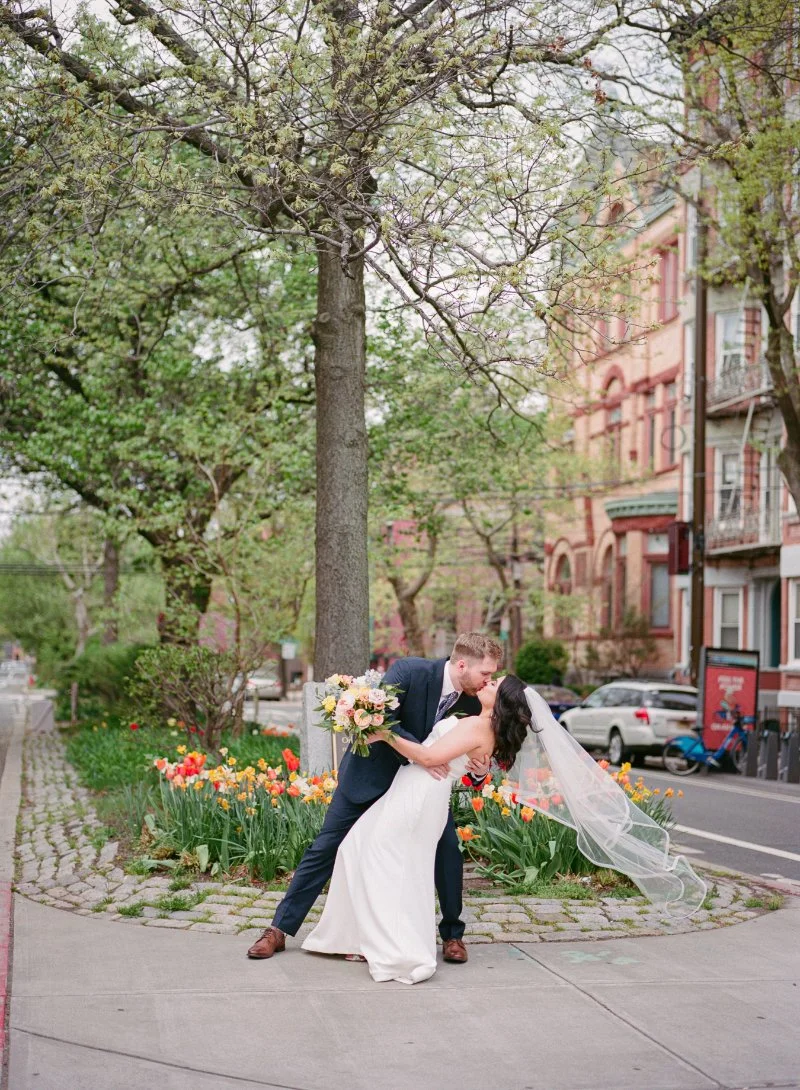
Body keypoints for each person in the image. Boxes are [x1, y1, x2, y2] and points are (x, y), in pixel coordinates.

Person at [246, 632, 503, 963]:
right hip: (370, 776)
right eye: (485, 673)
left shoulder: (474, 702)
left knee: (448, 851)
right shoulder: (409, 671)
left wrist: (479, 772)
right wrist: (424, 755)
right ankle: (278, 930)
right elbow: (380, 718)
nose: (488, 681)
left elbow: (467, 763)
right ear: (463, 664)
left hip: (421, 793)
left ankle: (453, 935)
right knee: (326, 845)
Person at [301, 673, 532, 983]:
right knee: (357, 848)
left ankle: (395, 948)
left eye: (495, 684)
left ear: (503, 698)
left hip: (420, 794)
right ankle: (358, 937)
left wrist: (382, 732)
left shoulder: (479, 726)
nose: (486, 683)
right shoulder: (480, 722)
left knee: (384, 861)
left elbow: (428, 756)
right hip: (412, 788)